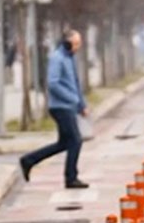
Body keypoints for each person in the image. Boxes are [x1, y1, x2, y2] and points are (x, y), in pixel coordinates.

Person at [18, 29, 90, 189]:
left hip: (69, 106)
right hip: (60, 107)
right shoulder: (58, 58)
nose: (78, 47)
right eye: (76, 43)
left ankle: (29, 160)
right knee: (76, 141)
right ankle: (71, 177)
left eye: (79, 43)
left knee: (65, 143)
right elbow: (53, 83)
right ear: (67, 42)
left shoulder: (70, 59)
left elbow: (75, 84)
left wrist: (81, 105)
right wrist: (72, 99)